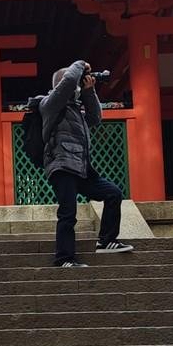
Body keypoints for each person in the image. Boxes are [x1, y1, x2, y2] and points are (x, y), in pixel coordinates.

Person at [40, 60, 134, 268]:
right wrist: (80, 64)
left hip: (81, 168)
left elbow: (95, 117)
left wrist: (89, 91)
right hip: (62, 167)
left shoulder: (75, 110)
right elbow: (69, 81)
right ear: (62, 84)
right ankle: (64, 259)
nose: (76, 87)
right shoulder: (49, 104)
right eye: (75, 84)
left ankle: (106, 240)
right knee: (68, 213)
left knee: (113, 193)